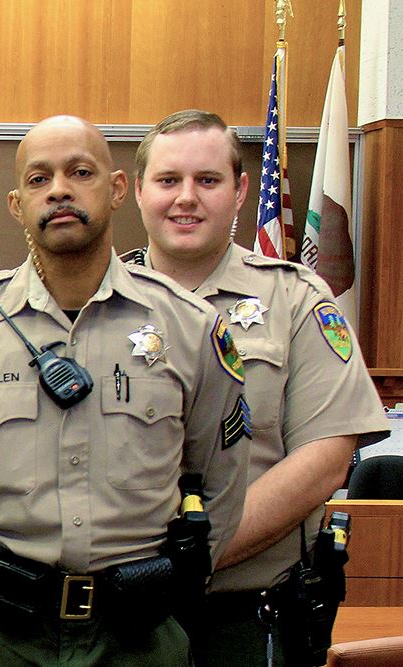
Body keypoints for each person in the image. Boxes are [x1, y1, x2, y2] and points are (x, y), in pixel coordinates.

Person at [0, 116, 251, 664]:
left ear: (118, 188)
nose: (59, 189)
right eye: (38, 179)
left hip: (138, 638)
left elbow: (222, 485)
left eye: (80, 172)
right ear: (15, 204)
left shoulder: (191, 330)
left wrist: (166, 585)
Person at [125, 109, 390, 666]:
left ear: (241, 190)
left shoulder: (295, 300)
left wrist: (188, 558)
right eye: (168, 181)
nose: (186, 198)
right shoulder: (94, 307)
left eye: (208, 180)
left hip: (245, 619)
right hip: (118, 621)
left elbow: (324, 460)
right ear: (139, 191)